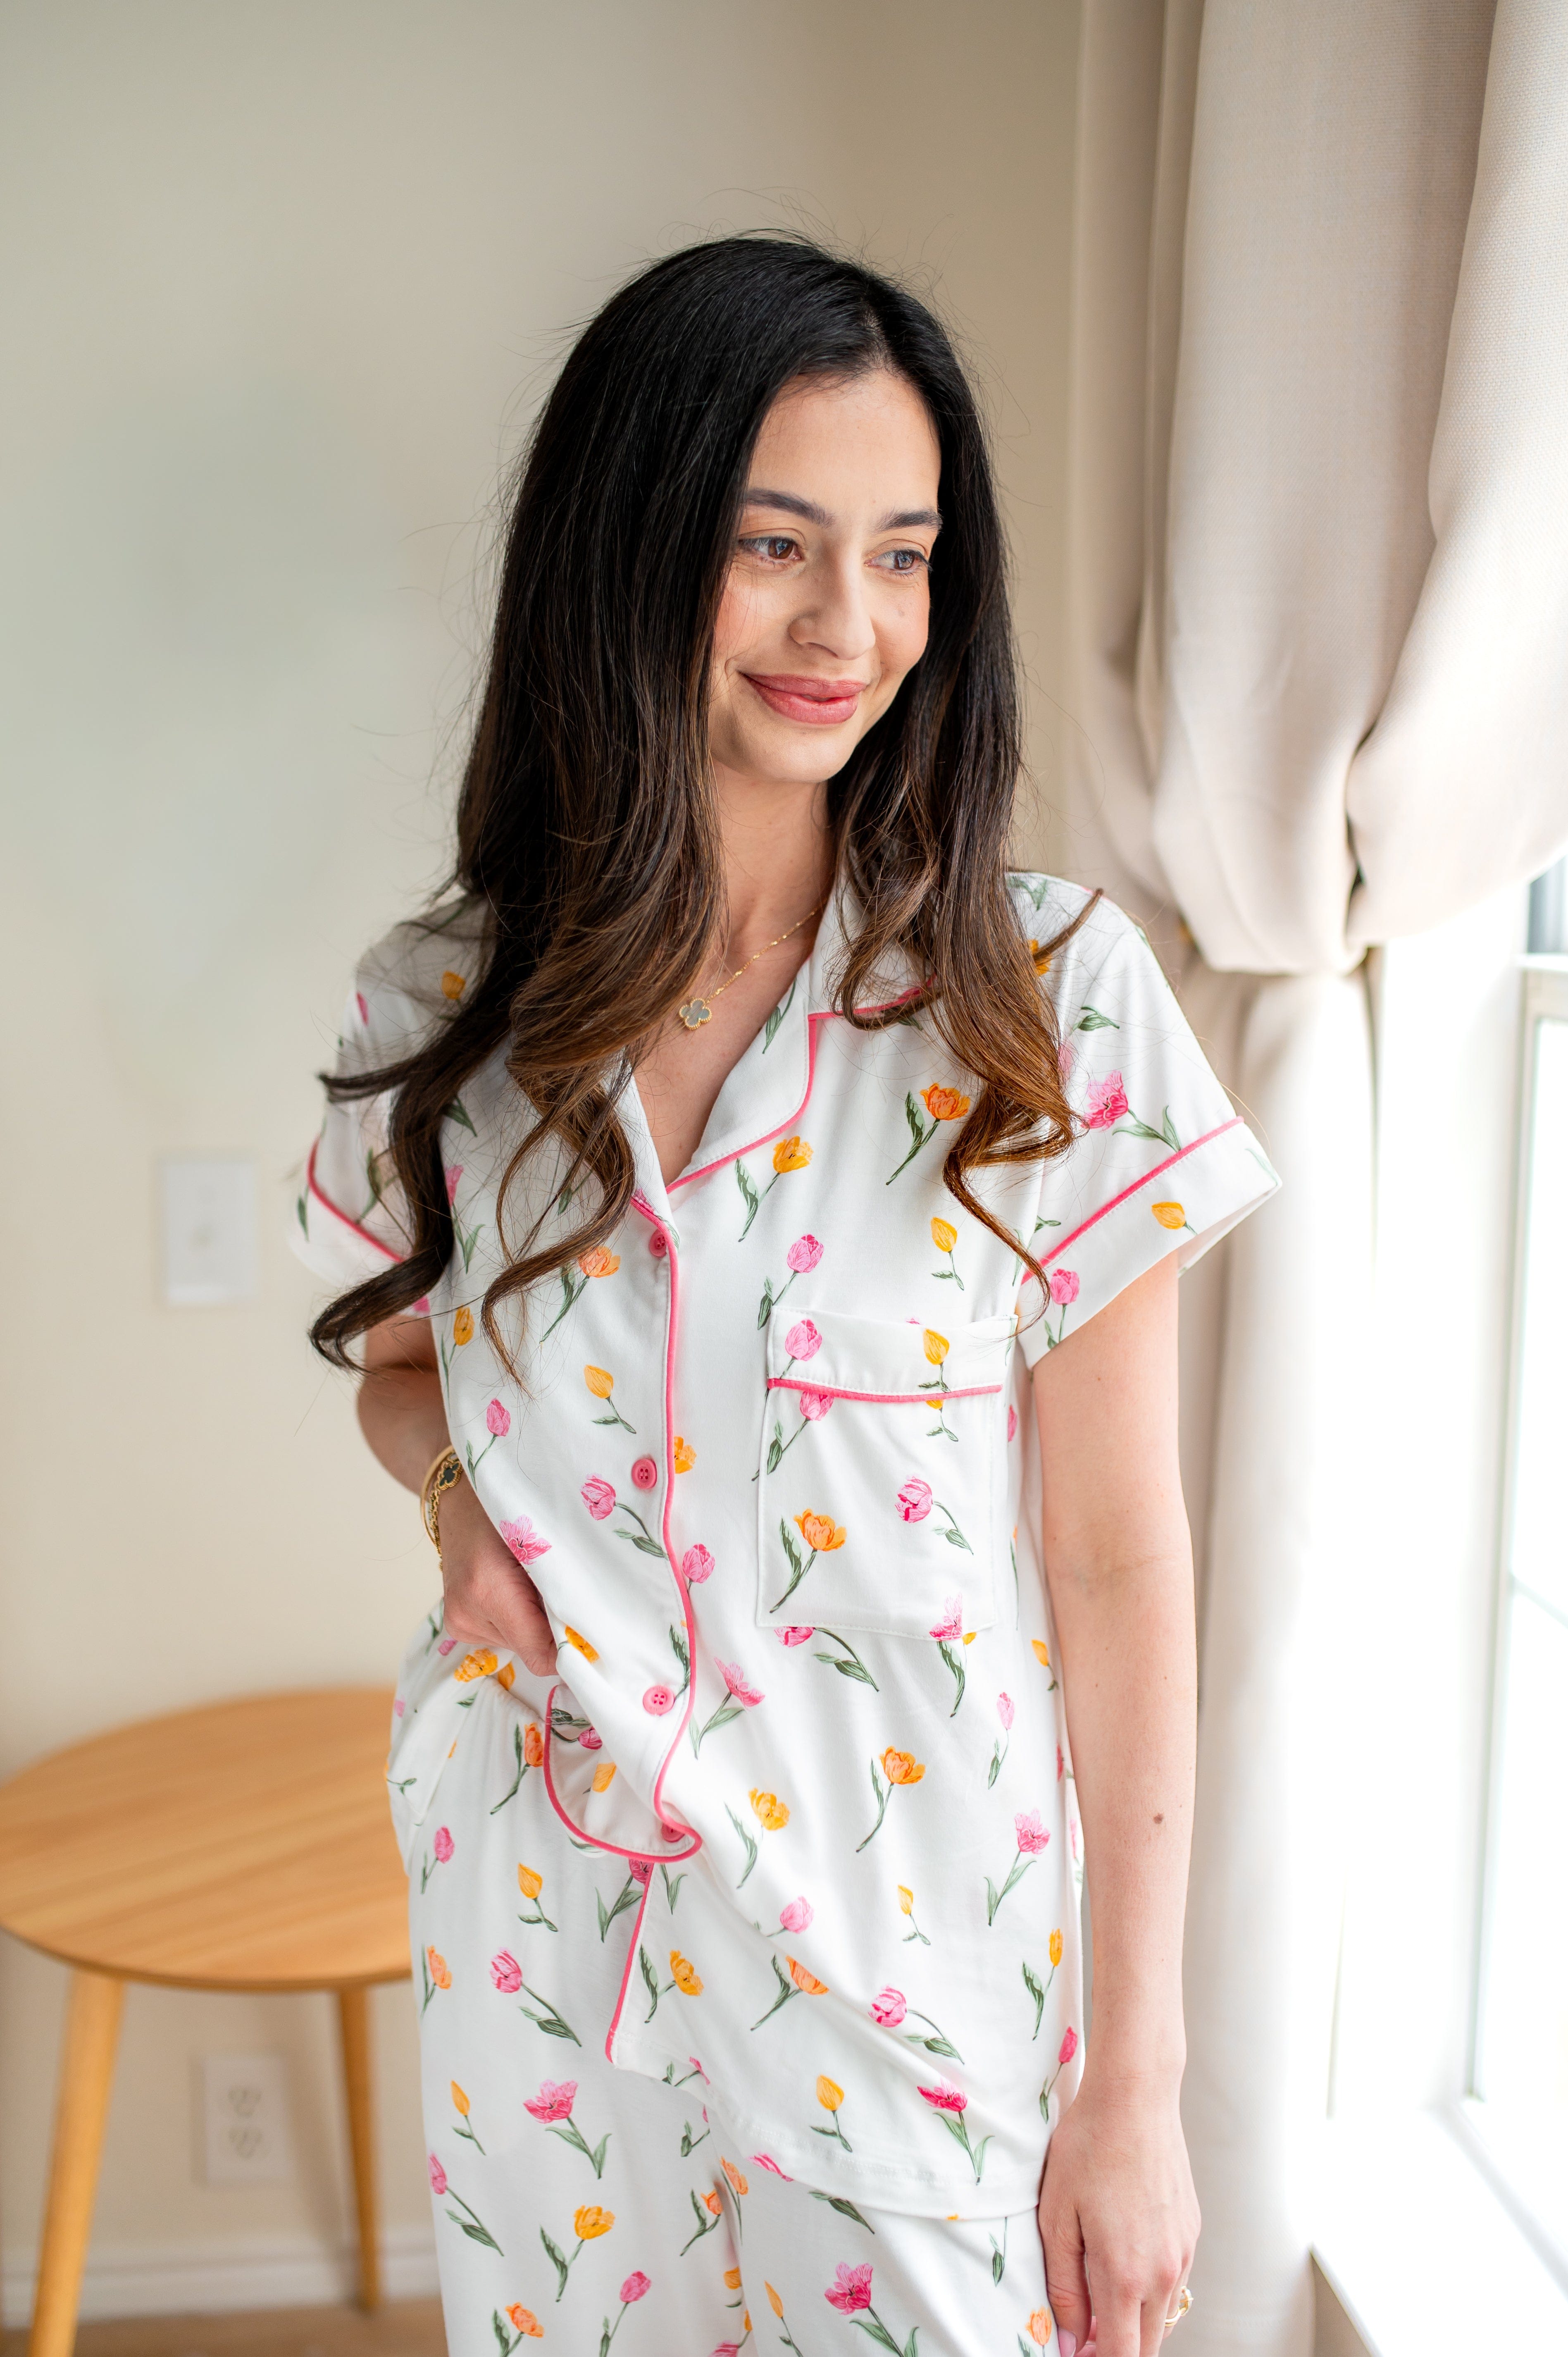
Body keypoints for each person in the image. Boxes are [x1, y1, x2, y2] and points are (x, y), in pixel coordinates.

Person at [293, 236, 1275, 2357]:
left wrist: (1138, 2083)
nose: (854, 626)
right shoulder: (445, 1016)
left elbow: (1117, 1560)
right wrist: (458, 1490)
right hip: (546, 1955)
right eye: (775, 547)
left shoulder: (1045, 1007)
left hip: (914, 1971)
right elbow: (398, 1375)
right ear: (630, 549)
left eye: (905, 555)